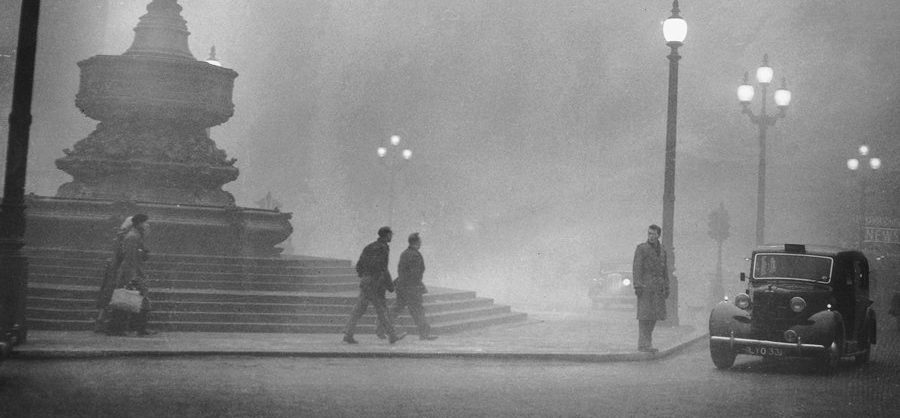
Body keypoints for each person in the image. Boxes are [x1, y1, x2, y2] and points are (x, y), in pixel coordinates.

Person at [342, 226, 407, 344]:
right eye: (391, 234)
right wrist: (390, 285)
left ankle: (348, 333)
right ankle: (392, 335)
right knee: (382, 310)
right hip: (376, 284)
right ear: (386, 235)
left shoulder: (369, 246)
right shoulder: (383, 248)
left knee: (359, 309)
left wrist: (365, 276)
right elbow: (383, 268)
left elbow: (359, 265)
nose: (391, 236)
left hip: (366, 282)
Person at [375, 233, 438, 340]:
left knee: (396, 309)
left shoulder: (404, 253)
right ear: (416, 243)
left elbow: (402, 271)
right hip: (411, 288)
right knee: (418, 310)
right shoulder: (415, 255)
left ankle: (380, 328)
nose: (421, 244)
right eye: (420, 242)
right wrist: (417, 286)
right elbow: (416, 274)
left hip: (402, 287)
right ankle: (424, 334)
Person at [105, 213, 156, 336]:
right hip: (132, 272)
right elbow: (129, 259)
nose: (146, 225)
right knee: (124, 300)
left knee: (139, 300)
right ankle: (119, 329)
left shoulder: (137, 236)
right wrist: (131, 277)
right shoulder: (132, 237)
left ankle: (138, 328)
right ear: (138, 223)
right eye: (144, 222)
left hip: (135, 271)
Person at [632, 224, 669, 353]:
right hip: (646, 288)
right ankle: (643, 344)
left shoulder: (663, 251)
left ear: (658, 235)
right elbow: (637, 268)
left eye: (653, 234)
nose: (651, 236)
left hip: (658, 289)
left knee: (654, 317)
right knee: (644, 317)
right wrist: (637, 285)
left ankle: (648, 343)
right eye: (649, 234)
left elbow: (665, 271)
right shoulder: (642, 249)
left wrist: (666, 287)